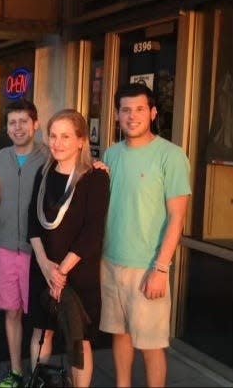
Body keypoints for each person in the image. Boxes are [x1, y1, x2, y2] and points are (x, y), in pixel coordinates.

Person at [100, 83, 191, 387]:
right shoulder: (111, 154)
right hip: (111, 262)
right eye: (125, 110)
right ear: (117, 115)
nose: (132, 116)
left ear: (152, 113)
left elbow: (178, 217)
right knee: (120, 334)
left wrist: (161, 268)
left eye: (139, 109)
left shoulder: (171, 156)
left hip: (148, 266)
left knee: (151, 345)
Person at [27, 109, 110, 387]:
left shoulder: (94, 178)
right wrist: (45, 265)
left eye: (65, 136)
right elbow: (33, 223)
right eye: (53, 135)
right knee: (42, 332)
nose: (57, 142)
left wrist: (60, 272)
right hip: (44, 268)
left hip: (76, 273)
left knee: (78, 340)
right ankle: (39, 382)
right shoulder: (44, 173)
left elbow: (92, 232)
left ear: (81, 140)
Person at [0, 99, 49, 388]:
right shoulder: (1, 157)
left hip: (37, 252)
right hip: (5, 247)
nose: (17, 128)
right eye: (12, 123)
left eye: (23, 121)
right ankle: (16, 372)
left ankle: (38, 375)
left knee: (40, 318)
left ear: (35, 124)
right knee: (12, 312)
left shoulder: (50, 156)